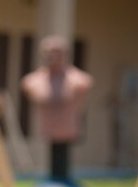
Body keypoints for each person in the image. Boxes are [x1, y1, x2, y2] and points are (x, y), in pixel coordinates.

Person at [20, 35, 93, 179]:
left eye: (56, 51)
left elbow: (86, 83)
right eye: (48, 51)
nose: (51, 55)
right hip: (47, 128)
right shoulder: (33, 81)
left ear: (65, 54)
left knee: (62, 161)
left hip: (68, 129)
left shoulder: (78, 81)